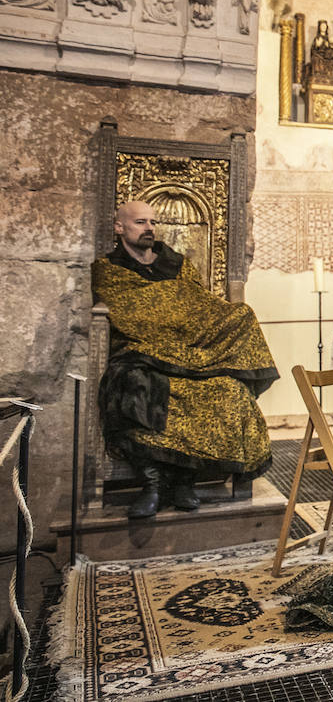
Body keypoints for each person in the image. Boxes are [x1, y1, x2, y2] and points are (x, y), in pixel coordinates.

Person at [92, 201, 276, 518]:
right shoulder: (109, 269)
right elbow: (133, 312)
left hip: (189, 350)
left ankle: (184, 481)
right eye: (140, 222)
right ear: (120, 227)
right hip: (139, 352)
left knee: (228, 389)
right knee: (137, 386)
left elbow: (197, 307)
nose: (149, 227)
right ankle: (154, 484)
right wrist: (164, 312)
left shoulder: (176, 264)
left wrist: (179, 318)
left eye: (153, 221)